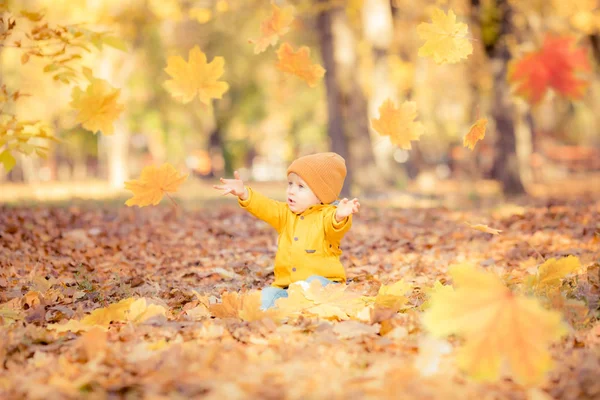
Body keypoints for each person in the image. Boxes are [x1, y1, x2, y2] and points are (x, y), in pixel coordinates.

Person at [213, 152, 360, 309]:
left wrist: (340, 216)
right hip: (287, 288)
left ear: (321, 196)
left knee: (310, 287)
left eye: (301, 187)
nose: (291, 191)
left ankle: (303, 307)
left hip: (325, 284)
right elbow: (265, 206)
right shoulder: (285, 214)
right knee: (264, 298)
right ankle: (278, 311)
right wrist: (244, 193)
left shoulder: (327, 216)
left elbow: (335, 227)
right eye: (290, 184)